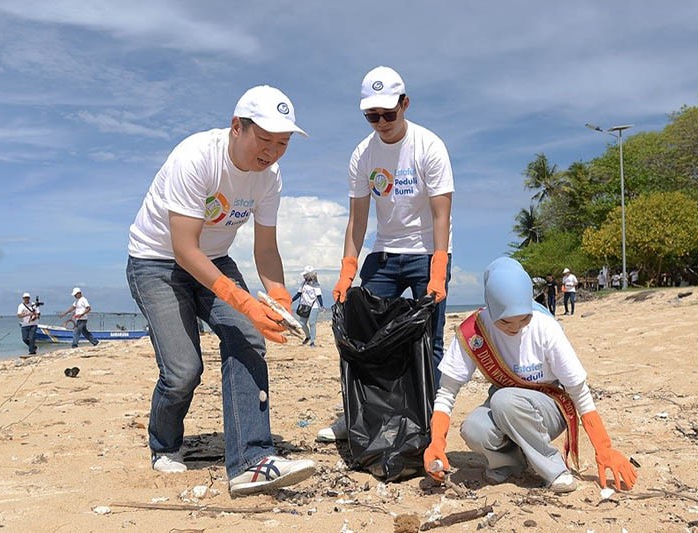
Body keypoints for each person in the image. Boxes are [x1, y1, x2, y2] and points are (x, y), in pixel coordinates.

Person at [125, 85, 315, 496]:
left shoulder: (270, 177)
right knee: (183, 371)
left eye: (282, 143)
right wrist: (244, 300)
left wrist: (280, 299)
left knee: (247, 337)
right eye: (264, 139)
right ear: (236, 127)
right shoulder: (196, 157)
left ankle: (251, 459)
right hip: (156, 261)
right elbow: (184, 249)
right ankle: (164, 444)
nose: (272, 152)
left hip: (215, 258)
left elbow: (266, 249)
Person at [423, 257, 637, 493]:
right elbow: (447, 392)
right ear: (490, 308)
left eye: (524, 318)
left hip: (549, 406)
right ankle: (508, 463)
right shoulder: (474, 331)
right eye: (505, 322)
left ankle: (554, 470)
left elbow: (579, 393)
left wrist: (604, 448)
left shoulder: (545, 327)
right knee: (474, 428)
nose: (515, 328)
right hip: (505, 406)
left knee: (504, 400)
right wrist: (437, 443)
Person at [322, 66, 454, 442]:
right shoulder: (363, 155)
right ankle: (361, 416)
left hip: (427, 253)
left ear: (405, 104)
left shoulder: (429, 146)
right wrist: (347, 270)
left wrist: (438, 268)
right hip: (384, 254)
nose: (381, 123)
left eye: (388, 114)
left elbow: (441, 214)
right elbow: (357, 219)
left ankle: (429, 421)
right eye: (371, 115)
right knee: (364, 334)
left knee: (430, 340)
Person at [291, 266, 324, 347]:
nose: (304, 276)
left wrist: (321, 305)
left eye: (305, 275)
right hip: (304, 305)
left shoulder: (316, 285)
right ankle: (308, 336)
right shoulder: (303, 284)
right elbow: (299, 294)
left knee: (312, 323)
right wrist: (291, 300)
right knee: (302, 323)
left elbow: (319, 296)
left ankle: (312, 341)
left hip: (314, 305)